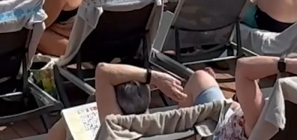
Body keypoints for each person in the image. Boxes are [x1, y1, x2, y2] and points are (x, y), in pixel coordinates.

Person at [47, 56, 297, 140]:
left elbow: (243, 68)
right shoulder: (271, 124)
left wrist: (155, 77)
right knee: (200, 78)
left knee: (64, 125)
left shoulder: (115, 128)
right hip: (212, 121)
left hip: (214, 124)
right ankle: (182, 121)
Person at [46, 62, 187, 140]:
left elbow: (103, 70)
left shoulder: (114, 132)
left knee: (66, 124)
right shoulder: (167, 125)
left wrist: (153, 77)